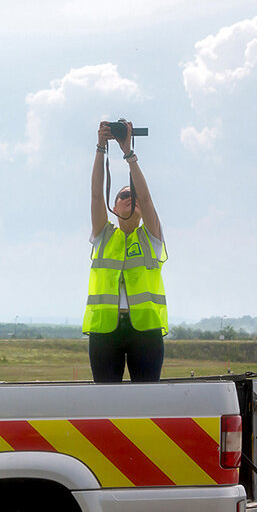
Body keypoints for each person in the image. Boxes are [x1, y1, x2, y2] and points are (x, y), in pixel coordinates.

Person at [86, 119, 168, 382]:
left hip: (145, 331)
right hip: (105, 332)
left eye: (133, 194)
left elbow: (146, 197)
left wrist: (129, 153)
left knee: (146, 399)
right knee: (106, 401)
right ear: (114, 206)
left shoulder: (150, 237)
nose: (130, 197)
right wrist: (100, 148)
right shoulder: (104, 235)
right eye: (123, 195)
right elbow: (96, 195)